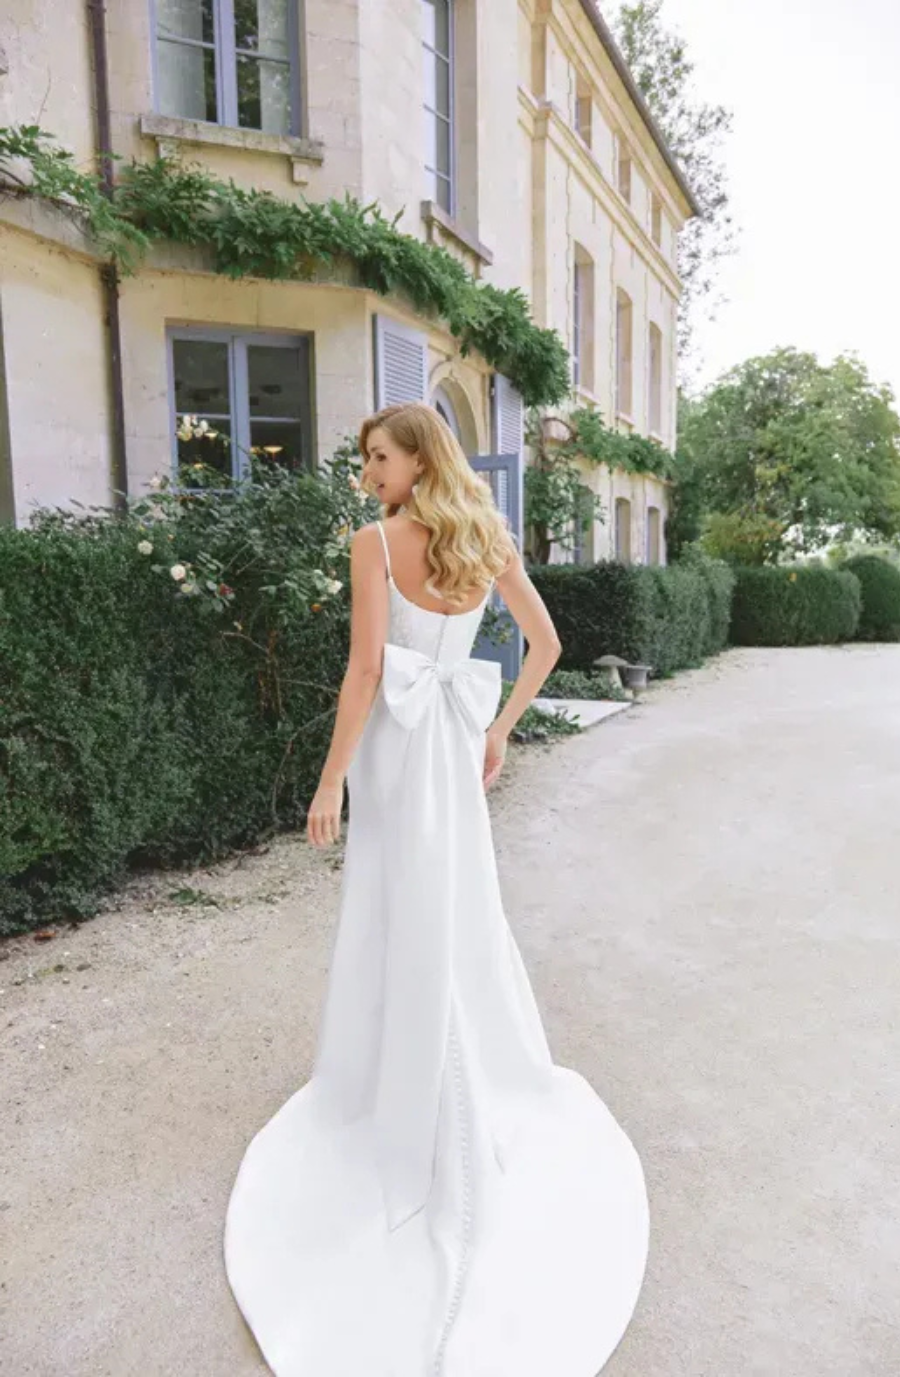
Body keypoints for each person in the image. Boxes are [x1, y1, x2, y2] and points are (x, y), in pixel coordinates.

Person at [224, 403, 649, 1376]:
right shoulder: (483, 537)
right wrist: (498, 727)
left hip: (396, 756)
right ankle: (433, 1069)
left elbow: (366, 669)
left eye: (379, 454)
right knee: (453, 915)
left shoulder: (375, 543)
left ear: (419, 457)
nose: (367, 470)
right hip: (453, 755)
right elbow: (542, 644)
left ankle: (404, 1094)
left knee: (393, 916)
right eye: (368, 458)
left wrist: (329, 779)